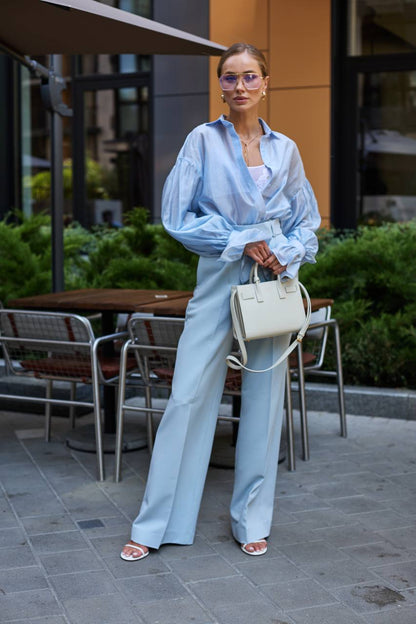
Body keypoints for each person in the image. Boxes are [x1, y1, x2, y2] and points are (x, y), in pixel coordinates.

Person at [120, 42, 320, 561]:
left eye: (249, 77)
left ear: (265, 83)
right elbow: (176, 217)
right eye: (230, 78)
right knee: (187, 393)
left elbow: (307, 220)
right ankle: (154, 524)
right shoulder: (200, 141)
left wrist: (285, 250)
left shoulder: (287, 150)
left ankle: (252, 519)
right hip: (220, 272)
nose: (239, 87)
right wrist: (239, 240)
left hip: (272, 275)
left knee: (263, 397)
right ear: (221, 85)